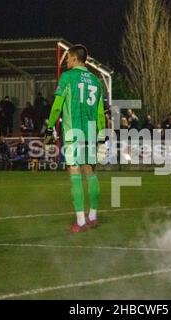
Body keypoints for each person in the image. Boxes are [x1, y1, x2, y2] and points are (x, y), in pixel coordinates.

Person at [45, 44, 105, 233]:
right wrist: (101, 135)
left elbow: (57, 106)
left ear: (75, 58)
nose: (67, 62)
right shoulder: (96, 81)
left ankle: (80, 222)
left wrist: (49, 128)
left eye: (68, 58)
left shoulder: (67, 77)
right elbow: (101, 113)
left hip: (73, 133)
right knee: (91, 173)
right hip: (91, 133)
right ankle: (93, 217)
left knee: (75, 173)